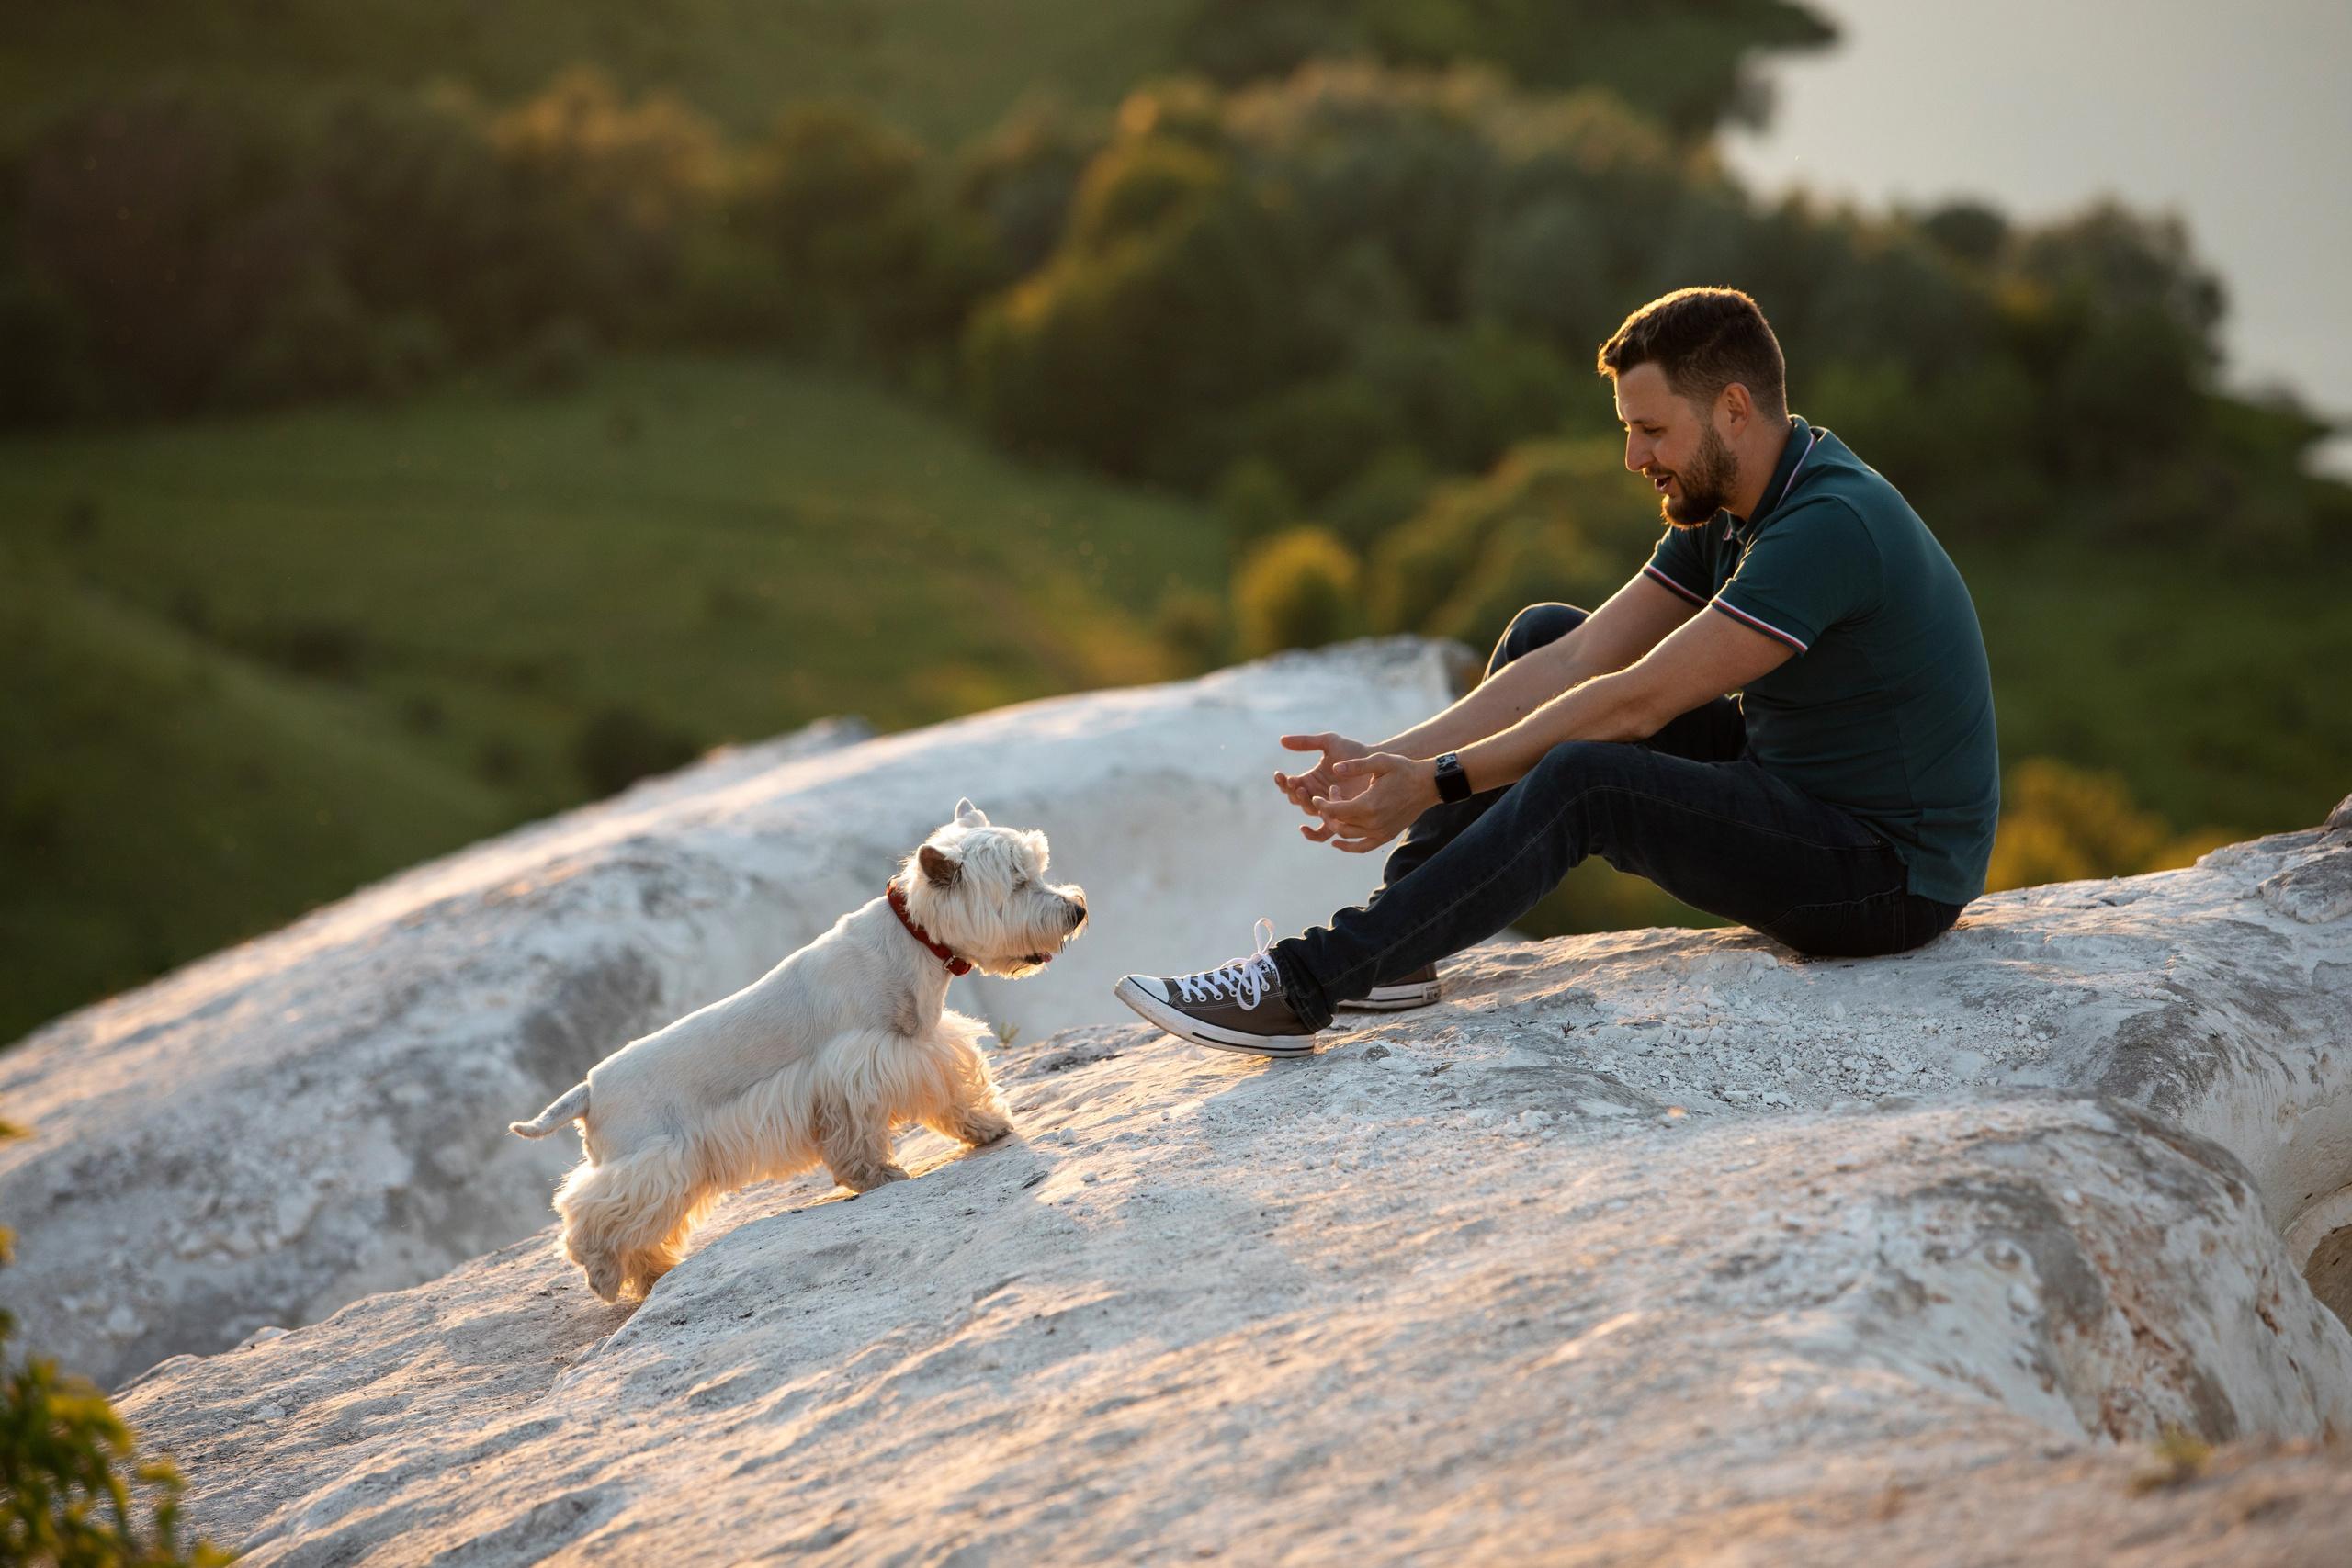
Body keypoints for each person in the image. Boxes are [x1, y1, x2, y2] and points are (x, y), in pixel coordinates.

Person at [1114, 287, 1999, 1056]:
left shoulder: (1827, 526)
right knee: (1545, 632)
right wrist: (1390, 759)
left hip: (1888, 876)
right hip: (1799, 793)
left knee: (1590, 780)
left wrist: (1435, 781)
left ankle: (1303, 984)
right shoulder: (1733, 500)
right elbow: (1581, 658)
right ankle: (1401, 946)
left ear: (1734, 409)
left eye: (1652, 430)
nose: (1633, 458)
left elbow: (1635, 702)